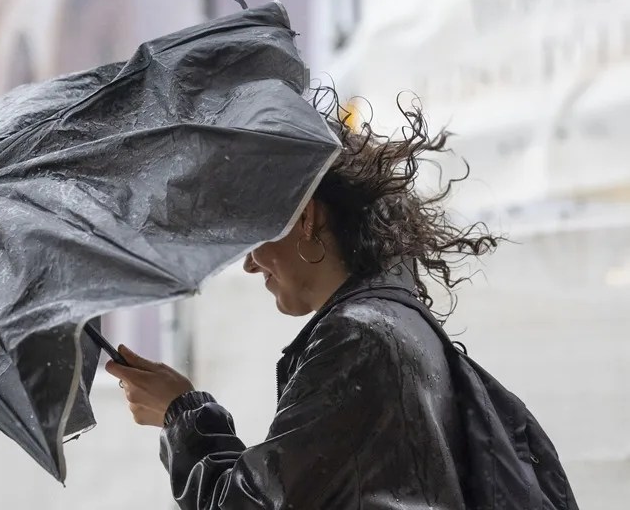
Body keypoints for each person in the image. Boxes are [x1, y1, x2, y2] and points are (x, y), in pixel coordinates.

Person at [105, 93, 501, 509]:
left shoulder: (359, 339)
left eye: (255, 237)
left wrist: (182, 415)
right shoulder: (395, 322)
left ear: (306, 219)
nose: (250, 265)